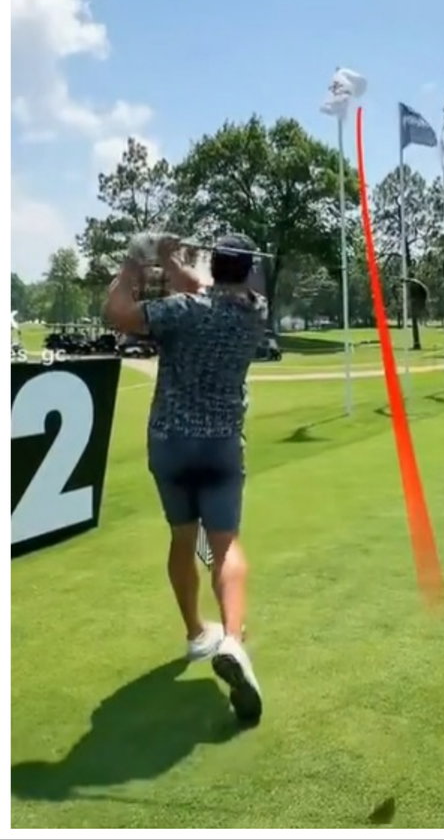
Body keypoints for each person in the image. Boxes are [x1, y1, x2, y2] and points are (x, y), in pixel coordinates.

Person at [103, 232, 269, 726]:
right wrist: (173, 258)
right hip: (220, 446)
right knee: (224, 547)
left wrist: (137, 260)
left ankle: (198, 633)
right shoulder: (254, 311)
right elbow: (204, 287)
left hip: (171, 445)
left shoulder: (182, 311)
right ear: (246, 273)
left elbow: (119, 313)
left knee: (183, 539)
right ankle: (233, 641)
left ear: (214, 269)